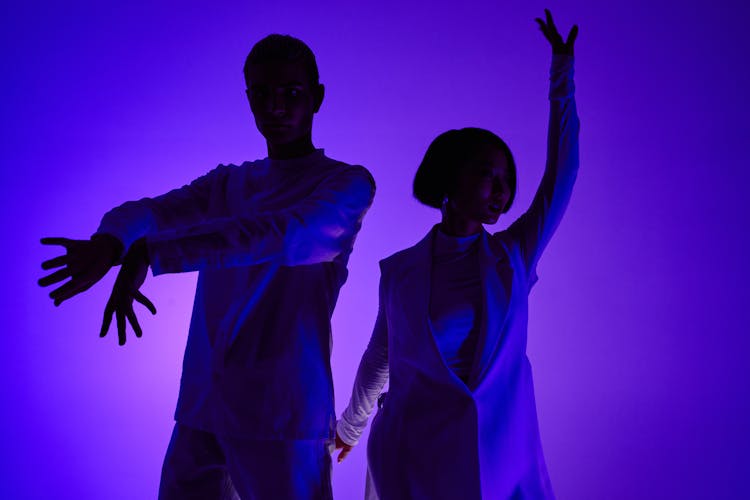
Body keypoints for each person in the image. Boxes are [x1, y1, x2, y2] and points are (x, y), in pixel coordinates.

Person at [38, 34, 375, 499]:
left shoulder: (346, 184)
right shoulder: (228, 183)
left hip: (283, 410)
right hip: (203, 404)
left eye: (292, 93)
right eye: (263, 93)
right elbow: (154, 212)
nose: (276, 106)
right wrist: (111, 240)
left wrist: (151, 253)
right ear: (248, 98)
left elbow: (287, 235)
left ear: (317, 97)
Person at [334, 10, 579, 499]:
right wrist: (349, 427)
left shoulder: (514, 256)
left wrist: (562, 79)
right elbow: (380, 356)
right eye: (489, 174)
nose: (502, 190)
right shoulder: (400, 272)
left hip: (497, 459)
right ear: (450, 178)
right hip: (413, 459)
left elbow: (561, 177)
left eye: (508, 181)